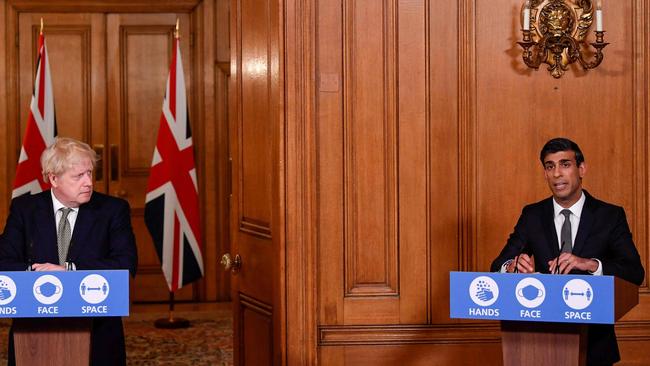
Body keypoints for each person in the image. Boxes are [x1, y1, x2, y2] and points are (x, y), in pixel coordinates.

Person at [491, 137, 644, 365]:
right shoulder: (532, 215)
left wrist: (591, 265)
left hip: (595, 346)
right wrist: (511, 267)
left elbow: (635, 272)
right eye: (549, 166)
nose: (556, 174)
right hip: (539, 344)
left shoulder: (610, 216)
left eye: (565, 164)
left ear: (581, 169)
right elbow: (497, 266)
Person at [0, 137, 138, 365]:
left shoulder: (113, 210)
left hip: (97, 331)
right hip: (34, 334)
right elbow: (4, 261)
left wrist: (70, 272)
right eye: (78, 176)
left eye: (90, 173)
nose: (88, 182)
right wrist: (40, 275)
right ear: (53, 178)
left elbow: (126, 264)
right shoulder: (25, 209)